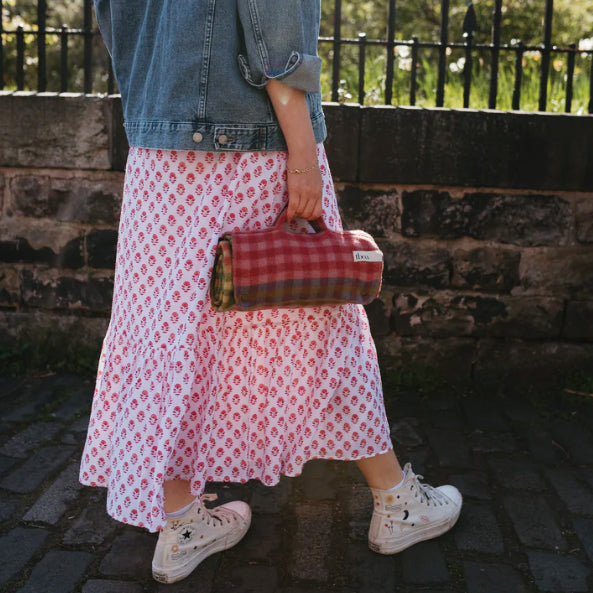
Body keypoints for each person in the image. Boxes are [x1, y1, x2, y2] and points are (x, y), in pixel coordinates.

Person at [80, 0, 462, 585]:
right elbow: (273, 26)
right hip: (251, 144)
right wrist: (303, 155)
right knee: (318, 325)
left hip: (158, 153)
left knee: (165, 335)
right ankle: (396, 503)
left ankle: (180, 521)